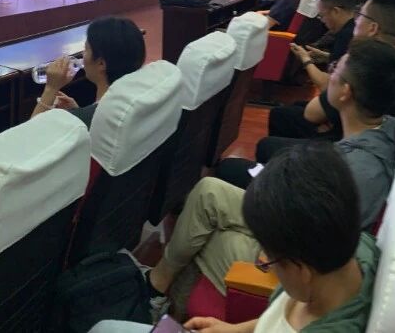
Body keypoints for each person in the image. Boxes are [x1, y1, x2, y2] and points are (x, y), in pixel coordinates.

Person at [143, 39, 395, 319]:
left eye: (334, 70)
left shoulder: (360, 169)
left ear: (345, 92)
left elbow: (313, 248)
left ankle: (159, 298)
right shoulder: (384, 130)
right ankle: (158, 288)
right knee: (208, 191)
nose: (328, 75)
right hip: (295, 225)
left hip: (297, 260)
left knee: (208, 237)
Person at [92, 142, 380, 333]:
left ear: (301, 270)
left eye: (269, 263)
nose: (264, 263)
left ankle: (156, 295)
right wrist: (232, 329)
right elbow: (277, 322)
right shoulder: (357, 250)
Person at [0, 16, 146, 196]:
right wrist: (78, 109)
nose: (82, 56)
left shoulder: (82, 121)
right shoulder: (133, 103)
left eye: (86, 49)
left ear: (101, 64)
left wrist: (51, 88)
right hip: (77, 193)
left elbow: (26, 139)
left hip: (40, 194)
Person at [259, 0, 395, 158]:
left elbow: (312, 113)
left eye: (360, 16)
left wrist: (306, 61)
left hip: (344, 146)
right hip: (359, 135)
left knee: (269, 139)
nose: (355, 20)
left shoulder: (369, 61)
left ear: (373, 28)